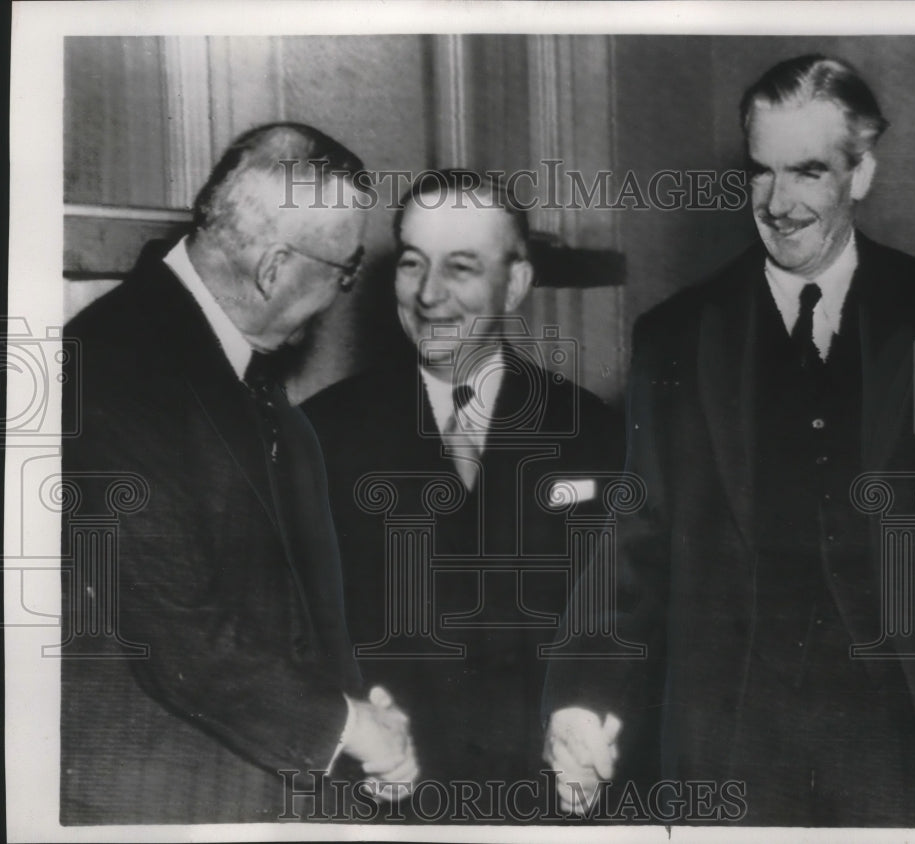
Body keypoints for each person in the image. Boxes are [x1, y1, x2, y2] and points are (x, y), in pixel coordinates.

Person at [543, 55, 915, 827]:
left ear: (861, 173)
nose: (778, 203)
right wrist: (584, 698)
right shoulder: (676, 336)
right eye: (760, 172)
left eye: (808, 172)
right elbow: (634, 541)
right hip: (738, 747)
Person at [61, 123, 417, 824]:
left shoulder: (225, 359)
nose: (345, 291)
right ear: (273, 268)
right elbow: (179, 628)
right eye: (344, 271)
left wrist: (351, 712)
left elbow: (281, 592)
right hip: (159, 798)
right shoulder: (113, 365)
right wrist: (344, 727)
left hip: (242, 774)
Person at [303, 171, 624, 817]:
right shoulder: (319, 435)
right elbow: (296, 632)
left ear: (518, 283)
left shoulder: (597, 433)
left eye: (461, 267)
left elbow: (630, 612)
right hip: (385, 804)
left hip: (552, 805)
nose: (428, 294)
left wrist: (591, 712)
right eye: (413, 264)